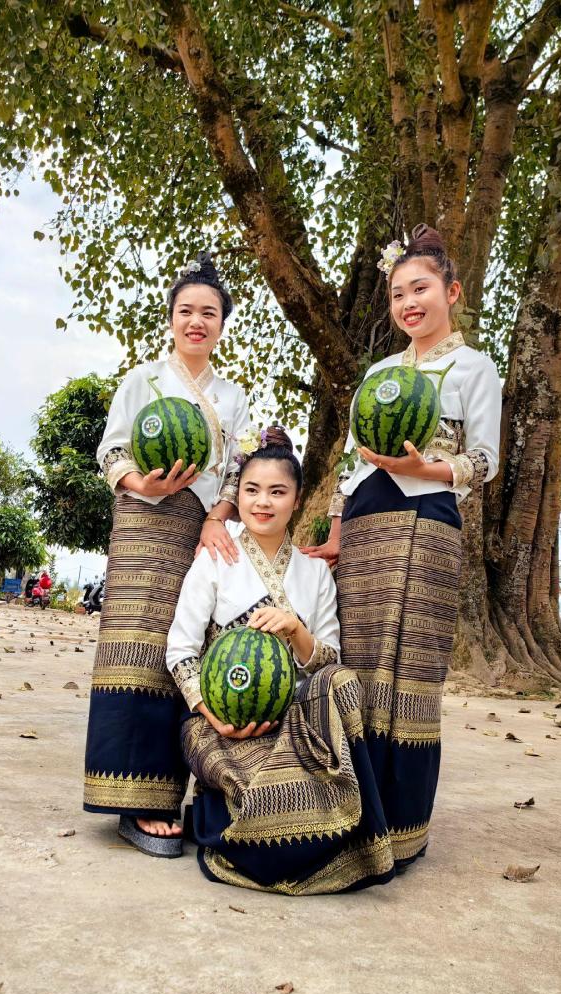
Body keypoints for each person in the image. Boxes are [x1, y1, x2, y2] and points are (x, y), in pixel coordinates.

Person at [303, 223, 502, 872]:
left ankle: (403, 828)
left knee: (409, 672)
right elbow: (351, 462)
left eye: (420, 288)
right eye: (396, 294)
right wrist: (334, 532)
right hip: (365, 524)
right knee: (358, 662)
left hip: (428, 519)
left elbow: (485, 460)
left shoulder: (474, 367)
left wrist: (431, 471)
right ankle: (348, 812)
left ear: (452, 290)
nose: (408, 302)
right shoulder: (381, 373)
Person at [167, 428, 396, 894]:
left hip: (297, 724)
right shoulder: (215, 559)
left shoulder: (314, 572)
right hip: (221, 724)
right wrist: (211, 713)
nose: (262, 502)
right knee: (264, 831)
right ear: (239, 495)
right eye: (251, 490)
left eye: (277, 491)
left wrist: (295, 629)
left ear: (297, 498)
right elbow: (181, 650)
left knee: (342, 680)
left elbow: (331, 657)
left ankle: (356, 831)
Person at [83, 252, 251, 858]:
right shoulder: (142, 380)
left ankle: (172, 792)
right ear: (172, 318)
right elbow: (110, 451)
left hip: (198, 532)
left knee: (181, 651)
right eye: (187, 311)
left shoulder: (233, 397)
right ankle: (132, 802)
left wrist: (214, 518)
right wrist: (141, 484)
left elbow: (238, 471)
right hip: (141, 520)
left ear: (222, 323)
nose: (196, 321)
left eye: (209, 312)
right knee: (133, 648)